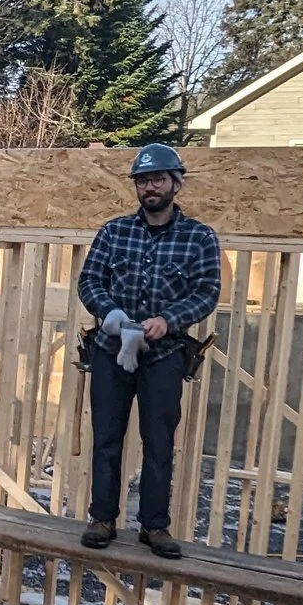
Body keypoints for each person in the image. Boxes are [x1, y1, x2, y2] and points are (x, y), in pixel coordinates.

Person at [74, 142, 220, 559]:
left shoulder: (199, 239)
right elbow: (89, 282)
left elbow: (207, 292)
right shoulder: (114, 231)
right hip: (110, 349)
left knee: (158, 442)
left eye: (157, 179)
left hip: (163, 355)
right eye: (142, 181)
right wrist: (109, 312)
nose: (149, 187)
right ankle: (102, 518)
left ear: (176, 183)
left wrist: (169, 320)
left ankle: (154, 526)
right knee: (107, 438)